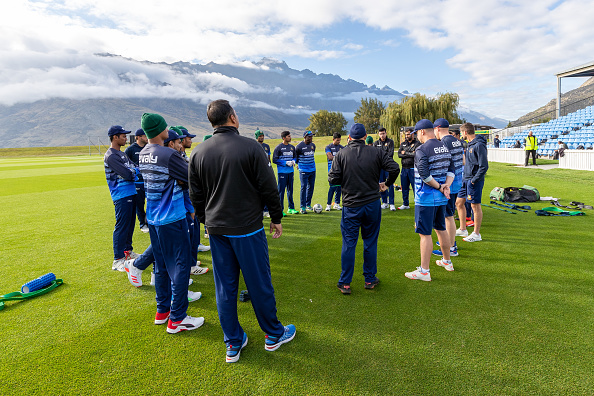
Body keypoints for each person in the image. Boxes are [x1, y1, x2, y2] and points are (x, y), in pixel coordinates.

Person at [189, 100, 295, 363]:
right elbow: (268, 187)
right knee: (258, 282)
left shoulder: (199, 153)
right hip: (246, 229)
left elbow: (196, 196)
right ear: (233, 118)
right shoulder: (252, 147)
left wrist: (207, 221)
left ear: (212, 122)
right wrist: (277, 217)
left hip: (217, 230)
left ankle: (233, 343)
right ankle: (273, 334)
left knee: (225, 288)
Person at [138, 113, 204, 334]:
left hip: (154, 219)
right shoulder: (167, 154)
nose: (168, 129)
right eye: (165, 126)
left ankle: (162, 310)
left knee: (161, 264)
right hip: (172, 218)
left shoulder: (143, 153)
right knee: (181, 264)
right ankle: (178, 318)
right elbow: (192, 178)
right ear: (160, 130)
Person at [329, 123, 400, 294]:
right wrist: (386, 184)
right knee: (369, 242)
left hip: (351, 205)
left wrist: (346, 181)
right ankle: (369, 279)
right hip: (371, 204)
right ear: (365, 135)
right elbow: (395, 168)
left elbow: (333, 180)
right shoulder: (376, 151)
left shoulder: (341, 154)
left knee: (349, 243)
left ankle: (345, 282)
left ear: (350, 137)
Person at [404, 119, 455, 281]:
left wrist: (441, 187)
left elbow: (425, 176)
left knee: (424, 234)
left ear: (422, 132)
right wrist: (446, 186)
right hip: (441, 198)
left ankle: (424, 271)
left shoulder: (421, 150)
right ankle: (447, 261)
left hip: (426, 198)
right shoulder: (444, 148)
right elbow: (451, 170)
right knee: (440, 228)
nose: (417, 137)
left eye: (417, 133)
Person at [104, 125, 139, 272]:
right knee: (122, 226)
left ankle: (127, 252)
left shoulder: (122, 154)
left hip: (130, 192)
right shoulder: (111, 156)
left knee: (130, 224)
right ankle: (117, 259)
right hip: (121, 194)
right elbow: (128, 174)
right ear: (115, 137)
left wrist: (133, 171)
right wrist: (133, 172)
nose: (125, 138)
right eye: (123, 136)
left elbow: (136, 168)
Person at [432, 118, 464, 258]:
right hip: (457, 181)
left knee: (448, 216)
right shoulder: (456, 140)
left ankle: (451, 247)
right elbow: (463, 160)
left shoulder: (444, 142)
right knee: (449, 214)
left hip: (449, 184)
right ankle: (450, 242)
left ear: (437, 128)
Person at [455, 122, 488, 242]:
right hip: (466, 179)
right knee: (459, 203)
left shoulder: (479, 145)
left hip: (474, 180)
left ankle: (476, 234)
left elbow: (484, 166)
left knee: (475, 206)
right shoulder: (469, 144)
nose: (461, 135)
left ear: (465, 132)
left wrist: (474, 180)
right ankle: (463, 229)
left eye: (461, 132)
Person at [125, 128, 149, 233]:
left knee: (151, 202)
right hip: (138, 182)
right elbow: (124, 163)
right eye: (144, 136)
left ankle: (149, 222)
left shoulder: (149, 148)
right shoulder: (131, 149)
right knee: (140, 204)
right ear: (138, 137)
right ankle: (142, 224)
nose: (146, 137)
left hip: (149, 181)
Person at [272, 131, 299, 215]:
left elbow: (295, 157)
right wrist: (285, 163)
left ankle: (291, 208)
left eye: (290, 136)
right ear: (284, 138)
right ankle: (280, 210)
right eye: (288, 136)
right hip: (282, 173)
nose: (290, 137)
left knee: (290, 190)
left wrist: (294, 161)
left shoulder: (292, 147)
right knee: (281, 191)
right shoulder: (278, 148)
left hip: (291, 172)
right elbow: (274, 160)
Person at [397, 129, 421, 210]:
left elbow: (416, 154)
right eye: (406, 134)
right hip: (404, 168)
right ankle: (405, 204)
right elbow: (399, 154)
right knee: (404, 187)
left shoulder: (417, 144)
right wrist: (410, 152)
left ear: (413, 134)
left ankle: (418, 203)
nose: (407, 136)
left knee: (415, 187)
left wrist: (406, 153)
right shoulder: (403, 144)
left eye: (408, 134)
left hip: (413, 168)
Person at [373, 127, 396, 210]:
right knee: (381, 184)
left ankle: (392, 203)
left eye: (383, 133)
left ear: (386, 133)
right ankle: (385, 202)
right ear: (378, 134)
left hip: (388, 167)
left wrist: (382, 159)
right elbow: (375, 155)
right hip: (380, 167)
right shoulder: (376, 143)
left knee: (389, 183)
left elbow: (390, 154)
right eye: (380, 134)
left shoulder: (390, 142)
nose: (382, 135)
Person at [295, 131, 317, 213]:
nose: (311, 138)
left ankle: (308, 205)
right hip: (303, 170)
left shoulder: (313, 145)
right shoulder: (299, 147)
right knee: (303, 187)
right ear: (305, 137)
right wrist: (299, 164)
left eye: (312, 137)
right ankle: (302, 207)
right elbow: (296, 158)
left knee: (311, 187)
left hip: (312, 170)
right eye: (309, 137)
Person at [325, 132, 344, 211]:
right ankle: (328, 205)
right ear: (333, 139)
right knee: (332, 188)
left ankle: (336, 204)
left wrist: (335, 157)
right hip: (332, 171)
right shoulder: (328, 147)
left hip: (340, 170)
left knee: (339, 188)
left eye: (339, 140)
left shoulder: (341, 148)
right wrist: (339, 158)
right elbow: (329, 157)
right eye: (337, 140)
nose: (338, 142)